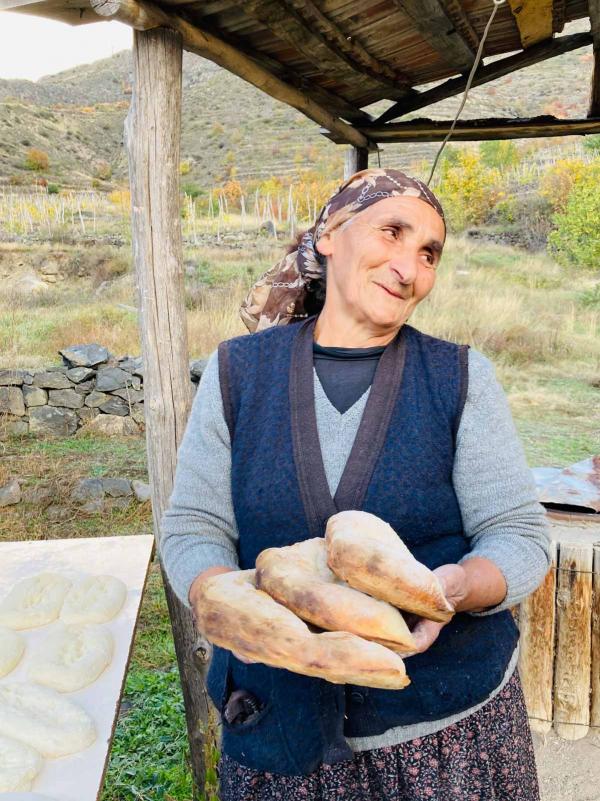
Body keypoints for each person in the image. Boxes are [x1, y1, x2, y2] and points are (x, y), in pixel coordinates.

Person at [160, 168, 550, 801]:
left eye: (429, 253)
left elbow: (519, 534)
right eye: (392, 232)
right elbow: (195, 526)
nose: (410, 266)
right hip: (279, 721)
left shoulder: (459, 377)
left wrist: (450, 589)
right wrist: (221, 597)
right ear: (330, 237)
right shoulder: (239, 372)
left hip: (440, 732)